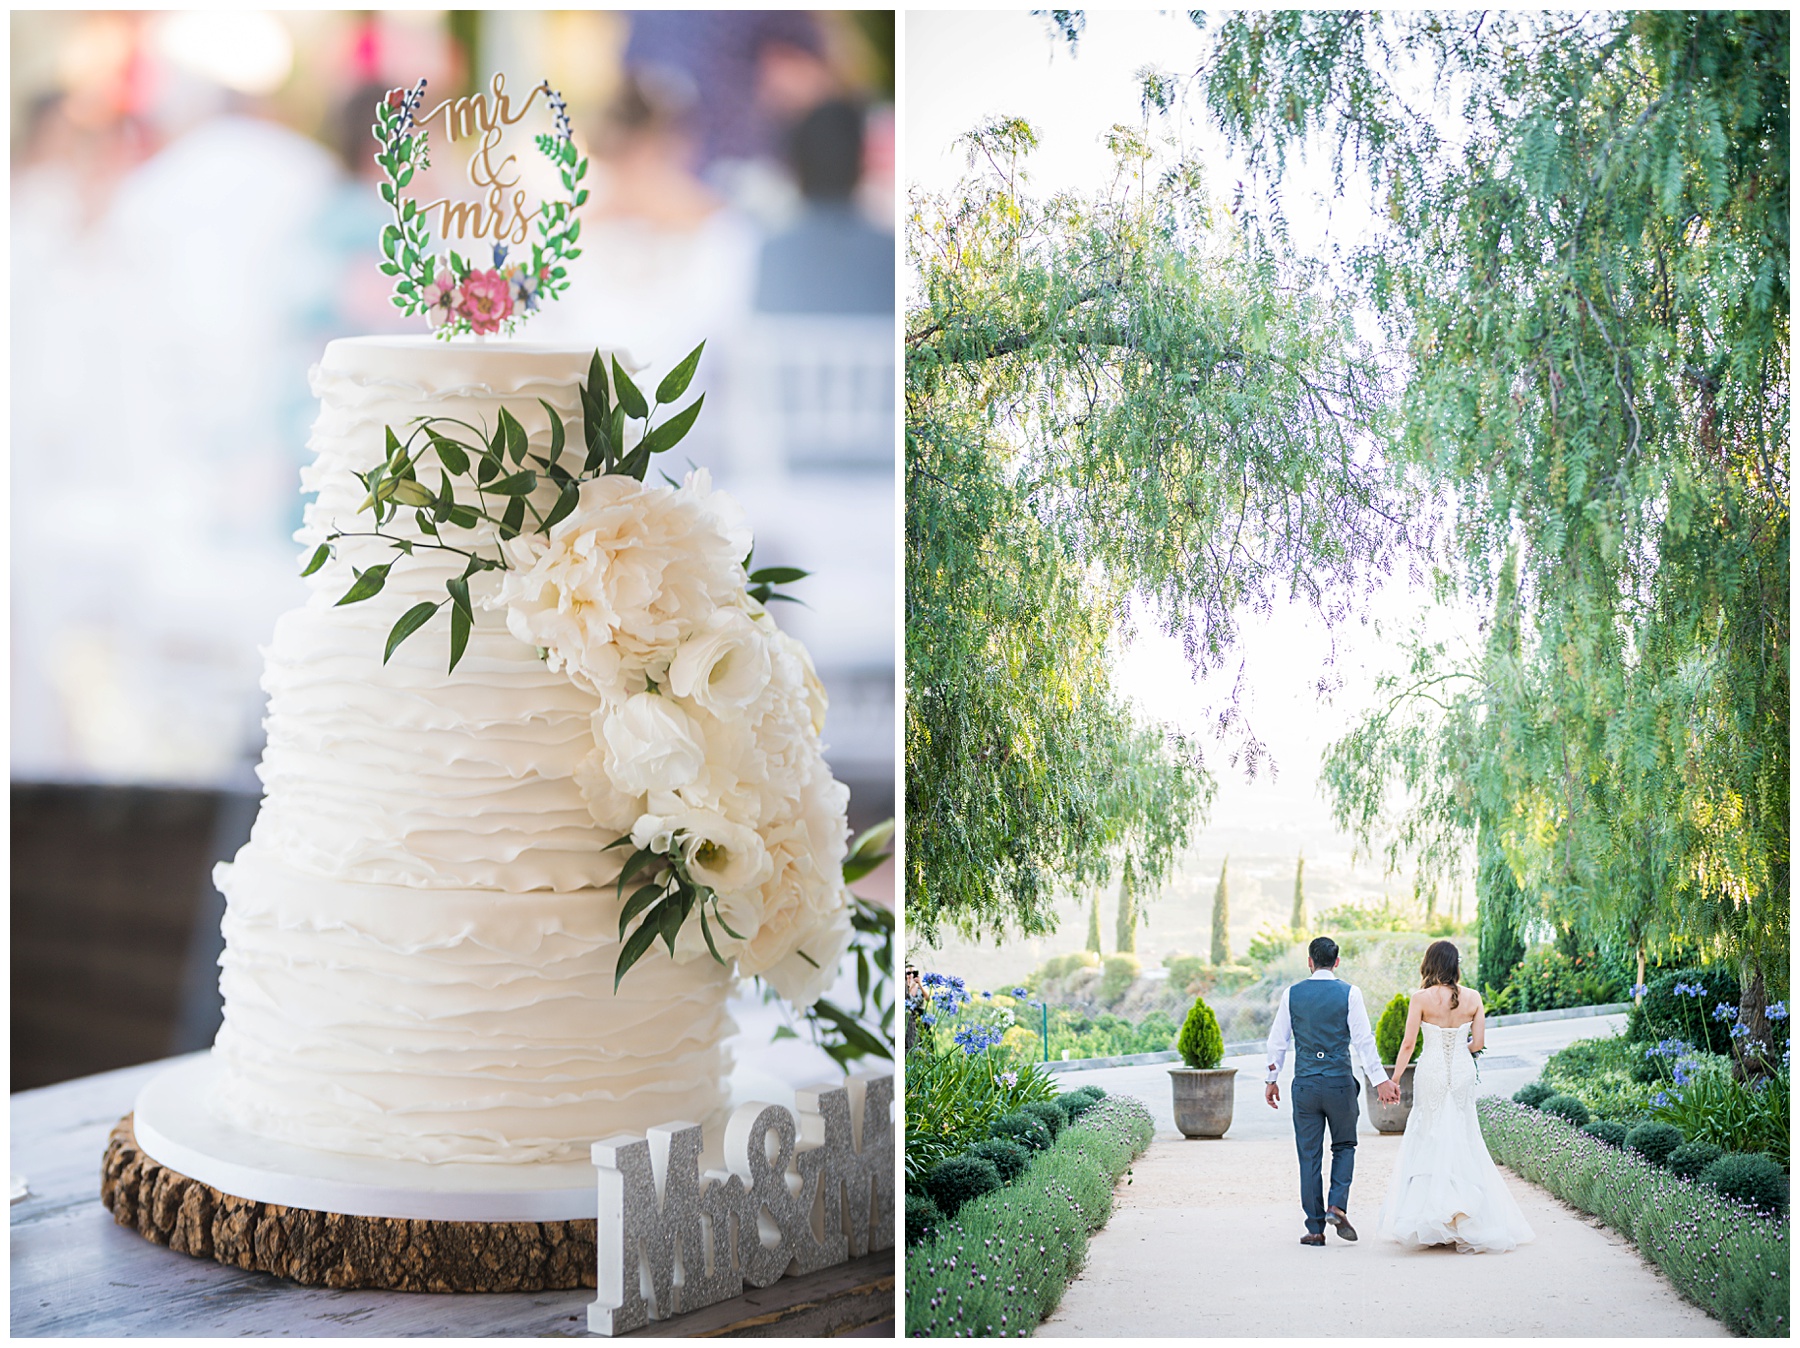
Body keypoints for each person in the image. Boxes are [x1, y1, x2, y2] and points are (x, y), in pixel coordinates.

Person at [1375, 940, 1537, 1253]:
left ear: (1430, 963)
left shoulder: (1420, 998)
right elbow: (1478, 1044)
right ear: (1455, 964)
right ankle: (1466, 1217)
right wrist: (1458, 1050)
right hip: (1462, 1071)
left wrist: (1393, 1079)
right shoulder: (1474, 997)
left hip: (1432, 1069)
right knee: (1463, 1133)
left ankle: (1431, 1218)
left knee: (1431, 1132)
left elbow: (1409, 1045)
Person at [1264, 935, 1400, 1246]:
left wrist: (1271, 1079)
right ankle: (1336, 1205)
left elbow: (1278, 1041)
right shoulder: (1350, 993)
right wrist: (1380, 1080)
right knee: (1345, 1145)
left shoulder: (1292, 994)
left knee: (1309, 1155)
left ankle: (1315, 1228)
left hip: (1306, 1084)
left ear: (1309, 962)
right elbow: (1364, 1041)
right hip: (1339, 1082)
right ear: (1336, 962)